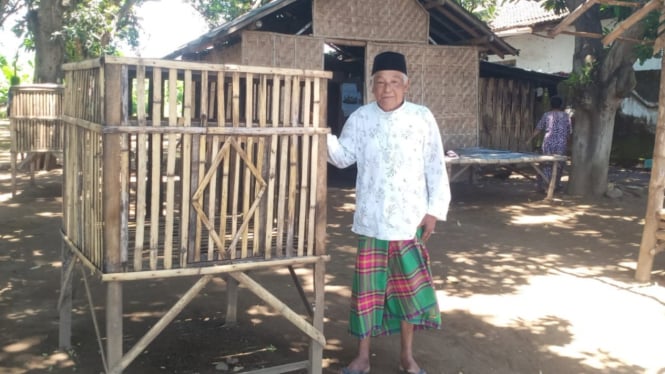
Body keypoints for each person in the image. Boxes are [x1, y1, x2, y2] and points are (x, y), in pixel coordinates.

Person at [327, 51, 451, 374]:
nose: (387, 89)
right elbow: (342, 157)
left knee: (408, 293)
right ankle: (363, 358)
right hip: (372, 221)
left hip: (410, 221)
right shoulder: (361, 119)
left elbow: (436, 166)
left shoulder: (422, 117)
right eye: (380, 82)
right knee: (367, 294)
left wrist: (434, 211)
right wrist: (320, 135)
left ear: (406, 85)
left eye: (394, 82)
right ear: (372, 86)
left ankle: (407, 357)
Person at [526, 95, 572, 192]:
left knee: (547, 163)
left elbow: (539, 128)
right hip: (561, 143)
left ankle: (546, 185)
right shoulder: (566, 116)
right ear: (561, 105)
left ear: (551, 104)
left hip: (548, 143)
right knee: (559, 164)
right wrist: (568, 144)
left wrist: (530, 139)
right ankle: (556, 185)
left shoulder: (547, 115)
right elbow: (568, 132)